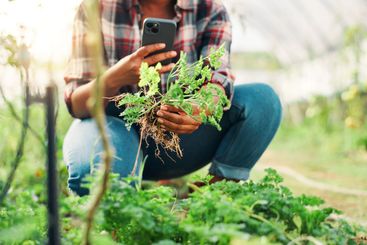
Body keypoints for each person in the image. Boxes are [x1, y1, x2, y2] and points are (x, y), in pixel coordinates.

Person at [63, 0, 282, 196]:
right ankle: (117, 212)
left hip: (180, 137)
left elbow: (217, 78)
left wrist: (201, 107)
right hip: (114, 132)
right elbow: (77, 105)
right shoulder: (96, 8)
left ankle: (205, 199)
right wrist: (113, 77)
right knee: (91, 176)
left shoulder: (209, 9)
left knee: (263, 102)